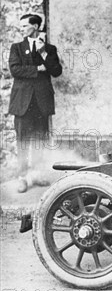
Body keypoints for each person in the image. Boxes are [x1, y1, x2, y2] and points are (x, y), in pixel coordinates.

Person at [9, 14, 62, 173]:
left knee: (40, 140)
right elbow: (15, 69)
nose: (21, 29)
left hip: (41, 102)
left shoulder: (49, 49)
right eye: (21, 26)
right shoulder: (16, 48)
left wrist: (43, 53)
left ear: (36, 27)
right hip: (22, 103)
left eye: (25, 26)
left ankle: (38, 175)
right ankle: (23, 177)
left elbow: (56, 71)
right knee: (23, 142)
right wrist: (37, 69)